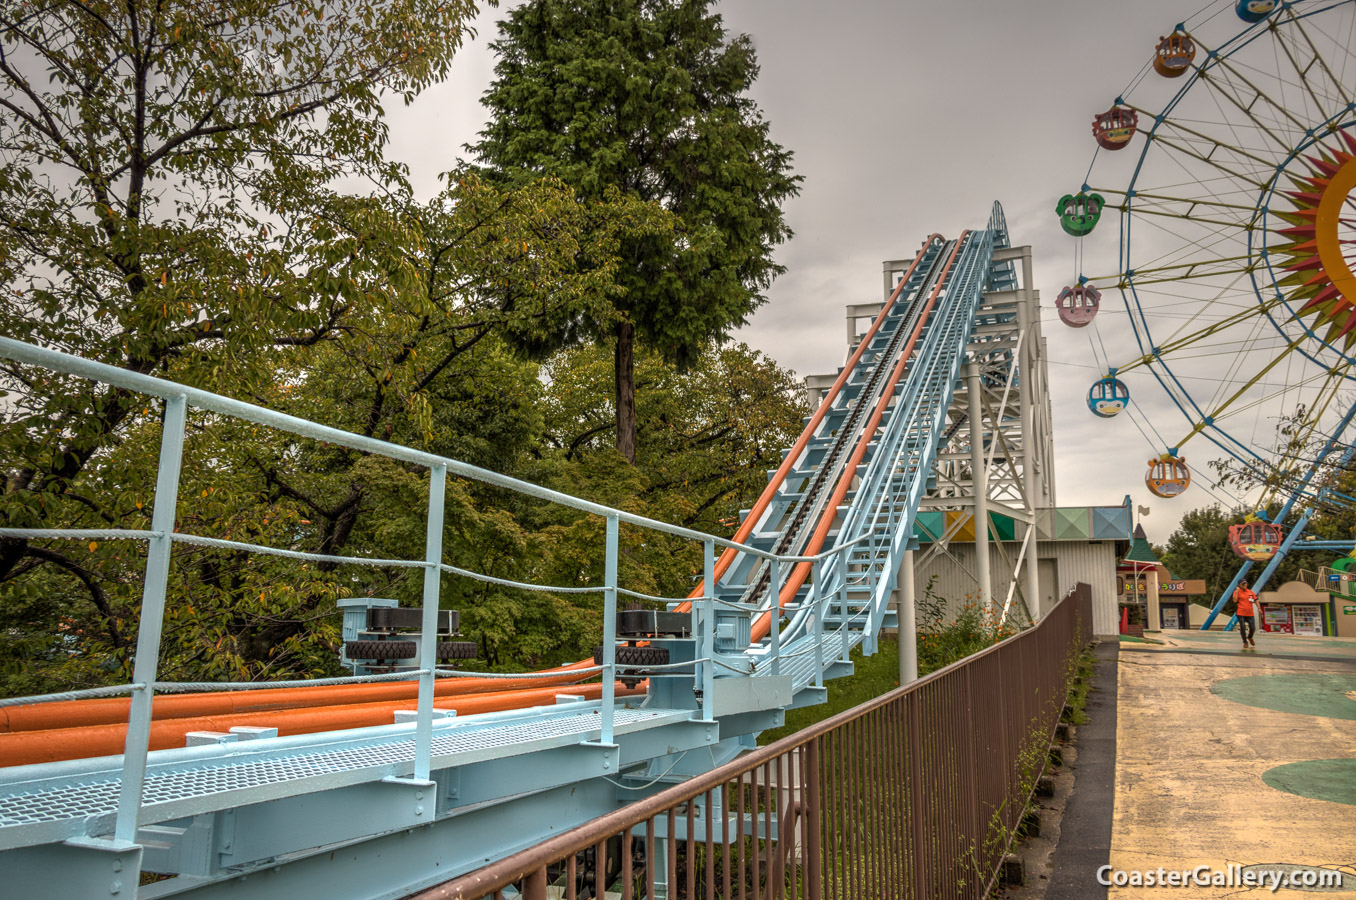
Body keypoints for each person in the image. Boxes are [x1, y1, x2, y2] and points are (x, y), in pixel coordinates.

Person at [1234, 579, 1259, 648]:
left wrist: (1259, 608)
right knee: (1242, 627)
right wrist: (1236, 591)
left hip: (1250, 613)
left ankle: (1250, 637)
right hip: (1241, 612)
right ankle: (1245, 642)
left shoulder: (1250, 592)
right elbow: (1235, 600)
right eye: (1242, 584)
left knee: (1253, 628)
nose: (1244, 585)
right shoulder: (1237, 592)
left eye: (1245, 583)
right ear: (1239, 585)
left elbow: (1256, 600)